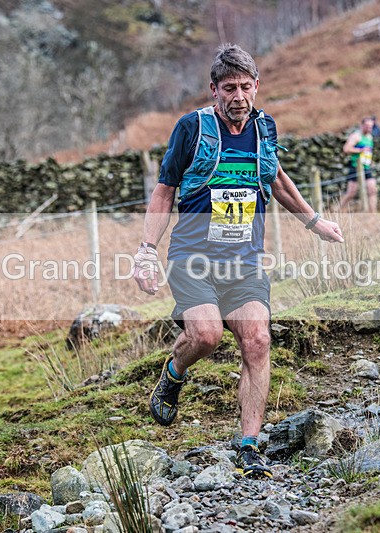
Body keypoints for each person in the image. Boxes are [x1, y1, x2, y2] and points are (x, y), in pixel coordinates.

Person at [133, 44, 343, 479]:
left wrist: (314, 221)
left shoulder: (265, 128)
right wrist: (146, 251)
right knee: (206, 336)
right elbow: (165, 190)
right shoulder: (191, 128)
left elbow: (277, 179)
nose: (238, 96)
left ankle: (249, 447)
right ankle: (173, 371)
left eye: (246, 87)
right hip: (193, 258)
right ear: (214, 90)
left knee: (257, 340)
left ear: (256, 87)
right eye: (229, 88)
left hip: (245, 262)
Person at [336, 116, 377, 213]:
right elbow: (346, 149)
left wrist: (370, 161)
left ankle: (373, 214)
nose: (369, 128)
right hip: (355, 167)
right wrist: (359, 150)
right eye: (367, 126)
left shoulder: (369, 137)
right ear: (361, 125)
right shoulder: (356, 136)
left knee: (372, 190)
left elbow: (368, 152)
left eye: (371, 126)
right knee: (351, 193)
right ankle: (338, 210)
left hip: (366, 167)